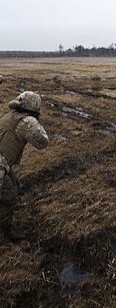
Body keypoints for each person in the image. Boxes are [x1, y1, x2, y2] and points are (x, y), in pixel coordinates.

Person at [0, 91, 49, 242]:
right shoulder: (28, 121)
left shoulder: (9, 116)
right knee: (9, 197)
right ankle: (5, 234)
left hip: (3, 164)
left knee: (14, 184)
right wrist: (37, 122)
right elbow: (43, 142)